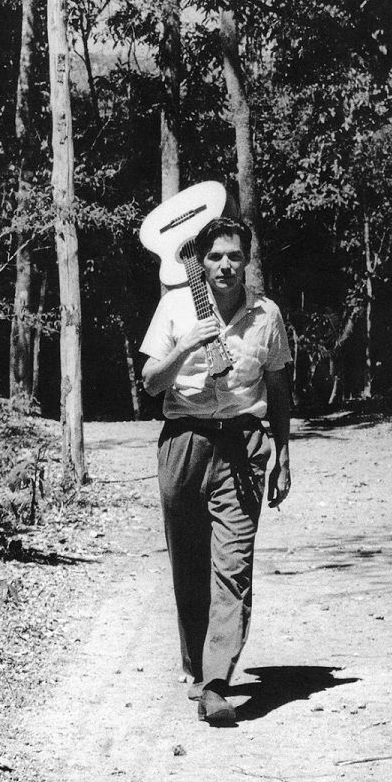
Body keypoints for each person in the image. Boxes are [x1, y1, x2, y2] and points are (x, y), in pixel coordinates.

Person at [140, 216, 292, 726]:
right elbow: (150, 383)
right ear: (199, 262)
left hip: (243, 444)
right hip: (185, 441)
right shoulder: (175, 306)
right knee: (189, 560)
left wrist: (284, 452)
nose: (226, 266)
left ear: (247, 260)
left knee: (233, 564)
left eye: (234, 256)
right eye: (215, 257)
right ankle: (195, 663)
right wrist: (187, 344)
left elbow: (279, 386)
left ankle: (216, 682)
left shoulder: (266, 316)